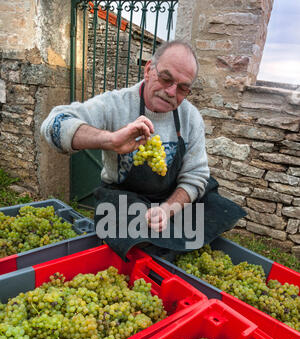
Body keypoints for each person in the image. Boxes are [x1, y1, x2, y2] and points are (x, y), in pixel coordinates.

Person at [41, 39, 245, 259]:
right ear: (148, 70)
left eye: (183, 88)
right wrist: (109, 140)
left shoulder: (190, 117)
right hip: (125, 199)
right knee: (134, 239)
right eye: (166, 79)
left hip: (170, 197)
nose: (171, 92)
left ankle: (173, 243)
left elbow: (196, 176)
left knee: (217, 209)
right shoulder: (116, 104)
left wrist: (168, 209)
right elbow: (53, 124)